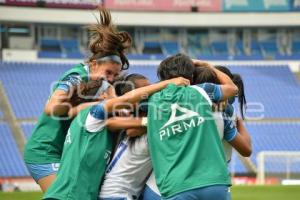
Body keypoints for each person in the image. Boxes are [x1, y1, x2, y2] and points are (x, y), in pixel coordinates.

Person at [23, 7, 132, 192]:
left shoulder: (105, 83)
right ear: (94, 64)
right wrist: (95, 105)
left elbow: (116, 105)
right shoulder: (76, 76)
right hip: (45, 151)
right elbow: (52, 108)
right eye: (108, 72)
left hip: (67, 153)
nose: (112, 78)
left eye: (115, 74)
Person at [43, 76, 190, 200]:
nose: (118, 99)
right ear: (102, 98)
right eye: (114, 95)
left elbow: (124, 126)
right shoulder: (91, 116)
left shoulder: (99, 129)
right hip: (69, 196)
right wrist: (166, 84)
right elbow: (127, 100)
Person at [146, 53, 238, 199]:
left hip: (177, 186)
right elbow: (232, 89)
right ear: (191, 75)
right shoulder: (202, 91)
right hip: (214, 182)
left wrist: (163, 85)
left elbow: (126, 99)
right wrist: (208, 66)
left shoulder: (153, 100)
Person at [99, 74, 152, 200]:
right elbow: (124, 128)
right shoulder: (136, 124)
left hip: (113, 193)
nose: (152, 90)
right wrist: (151, 122)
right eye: (145, 89)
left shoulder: (128, 120)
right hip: (118, 194)